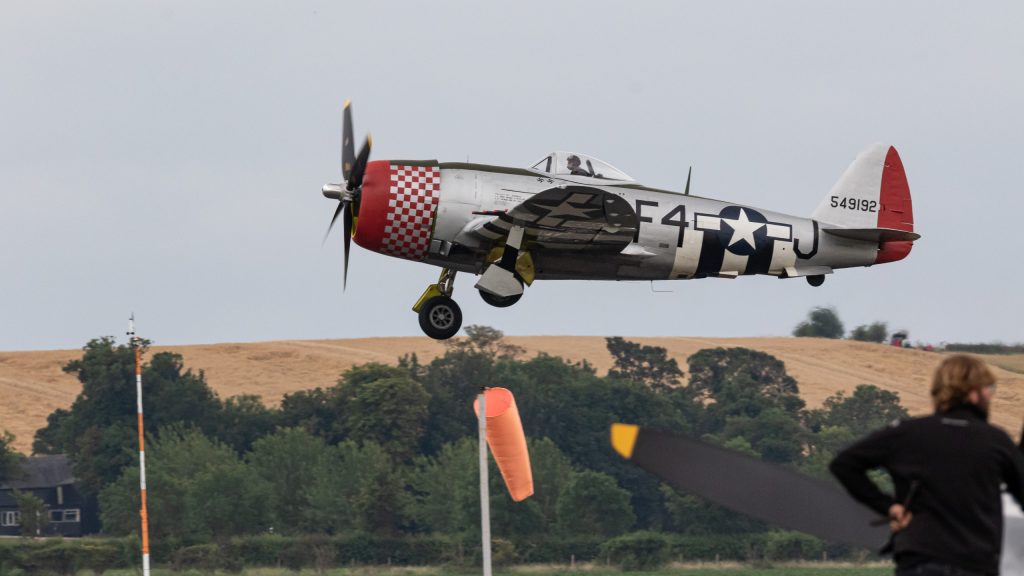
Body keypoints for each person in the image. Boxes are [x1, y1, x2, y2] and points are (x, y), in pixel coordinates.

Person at [830, 355, 1024, 576]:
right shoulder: (995, 440)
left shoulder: (908, 432)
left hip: (920, 559)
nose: (990, 396)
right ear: (973, 393)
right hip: (976, 562)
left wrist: (888, 507)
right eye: (989, 388)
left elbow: (844, 464)